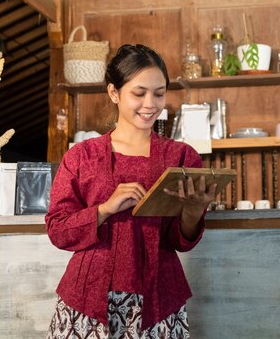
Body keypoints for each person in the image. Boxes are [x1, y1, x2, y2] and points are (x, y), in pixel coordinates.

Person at [45, 44, 216, 339]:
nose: (150, 103)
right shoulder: (81, 156)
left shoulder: (182, 158)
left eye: (159, 93)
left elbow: (180, 240)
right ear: (114, 92)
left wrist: (192, 211)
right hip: (88, 302)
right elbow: (59, 230)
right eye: (139, 93)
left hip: (159, 302)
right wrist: (105, 208)